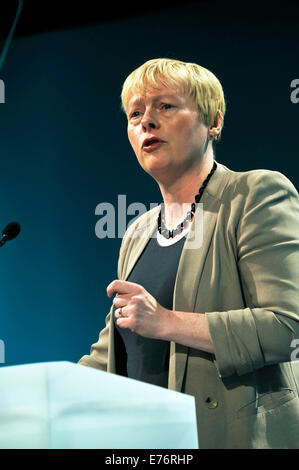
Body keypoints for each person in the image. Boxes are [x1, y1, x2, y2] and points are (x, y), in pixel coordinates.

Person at [78, 58, 299, 449]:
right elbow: (115, 347)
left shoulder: (254, 195)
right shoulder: (137, 231)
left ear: (213, 121)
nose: (146, 122)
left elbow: (288, 327)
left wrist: (167, 322)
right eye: (135, 113)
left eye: (165, 106)